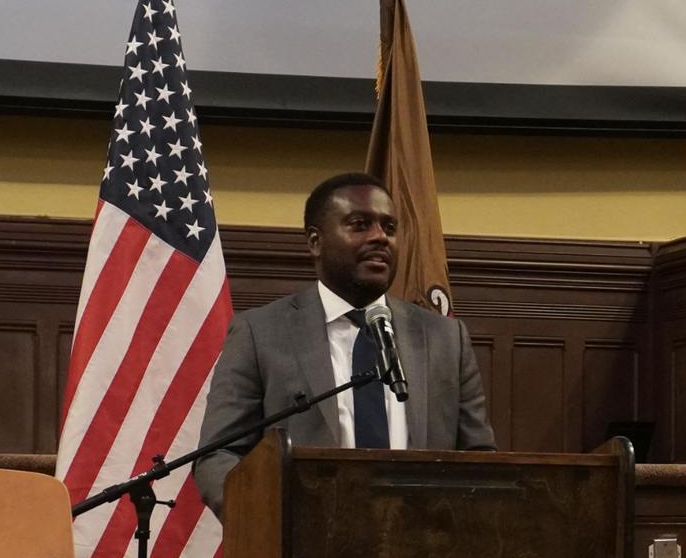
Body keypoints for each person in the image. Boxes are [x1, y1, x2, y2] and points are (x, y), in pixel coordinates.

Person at [194, 172, 495, 514]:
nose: (380, 237)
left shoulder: (445, 338)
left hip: (423, 549)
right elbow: (218, 455)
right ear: (315, 242)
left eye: (390, 228)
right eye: (359, 224)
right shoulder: (259, 332)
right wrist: (264, 521)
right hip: (301, 547)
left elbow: (480, 458)